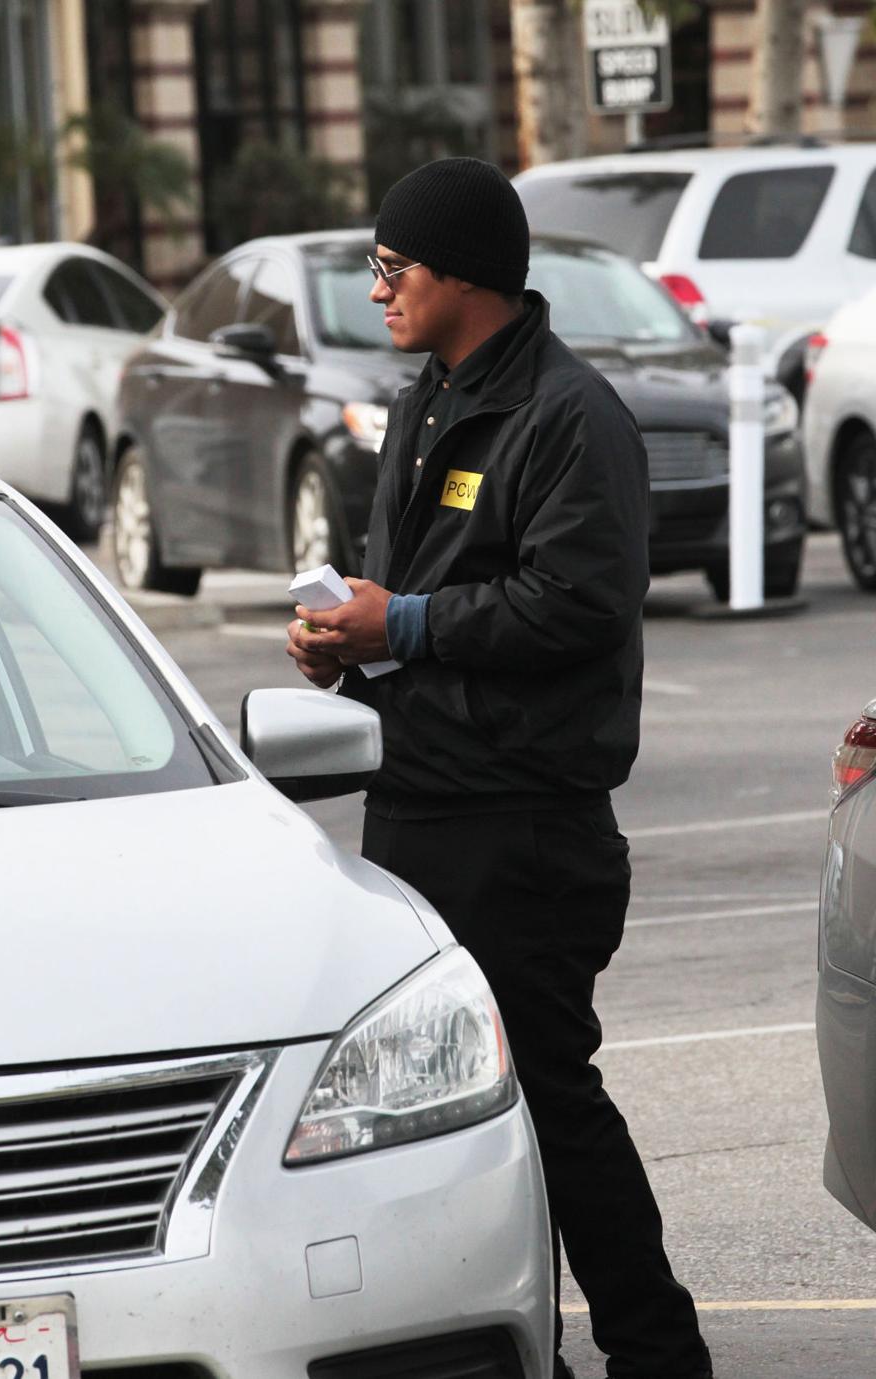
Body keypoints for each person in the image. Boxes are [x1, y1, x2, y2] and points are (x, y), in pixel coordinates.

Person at [285, 157, 712, 1379]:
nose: (376, 292)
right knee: (449, 1120)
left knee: (548, 1101)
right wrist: (347, 650)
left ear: (459, 272)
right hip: (417, 805)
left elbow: (575, 605)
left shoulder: (572, 418)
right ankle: (524, 1347)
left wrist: (399, 626)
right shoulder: (426, 397)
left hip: (524, 824)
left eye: (389, 267)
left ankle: (659, 1352)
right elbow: (406, 594)